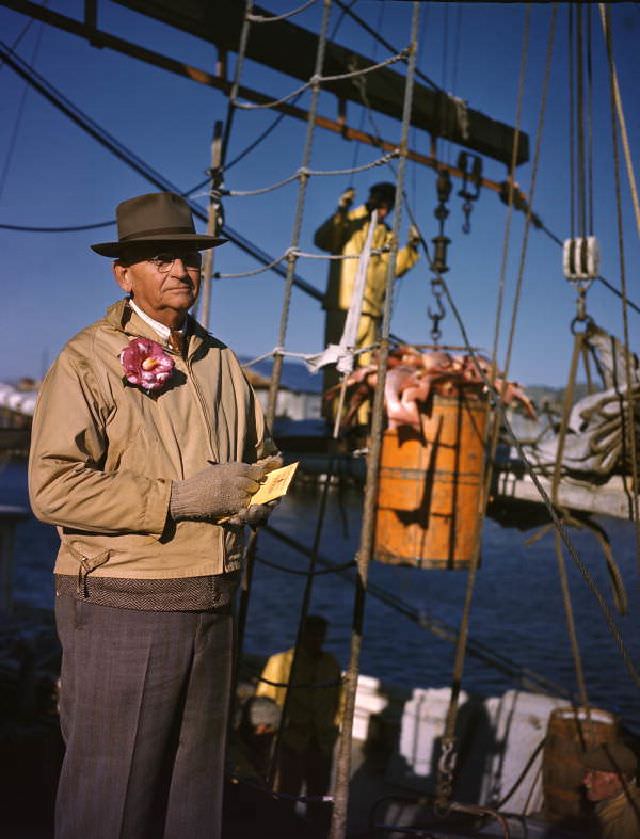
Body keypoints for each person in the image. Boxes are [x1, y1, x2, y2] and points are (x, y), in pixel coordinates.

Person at [28, 191, 281, 839]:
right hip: (124, 603)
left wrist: (257, 488)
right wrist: (178, 498)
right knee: (108, 803)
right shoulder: (86, 360)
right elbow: (52, 488)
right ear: (124, 273)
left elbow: (259, 457)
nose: (181, 271)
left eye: (190, 258)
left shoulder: (224, 361)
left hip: (214, 602)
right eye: (162, 258)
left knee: (192, 804)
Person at [314, 182, 420, 423]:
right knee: (337, 363)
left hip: (371, 312)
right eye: (380, 205)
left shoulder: (388, 236)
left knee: (366, 370)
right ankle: (334, 418)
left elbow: (395, 268)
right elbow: (323, 239)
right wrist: (343, 209)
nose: (383, 211)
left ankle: (359, 421)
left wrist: (411, 248)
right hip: (342, 307)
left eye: (387, 207)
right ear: (372, 200)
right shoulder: (349, 223)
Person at [255, 615, 342, 831]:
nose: (316, 639)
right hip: (290, 740)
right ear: (302, 634)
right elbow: (265, 700)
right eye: (311, 634)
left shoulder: (330, 664)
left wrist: (332, 730)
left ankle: (315, 832)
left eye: (320, 635)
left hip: (321, 742)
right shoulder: (281, 663)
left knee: (318, 796)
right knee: (285, 794)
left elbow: (340, 701)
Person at [582, 741, 640, 838]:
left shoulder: (629, 820)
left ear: (616, 778)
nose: (585, 781)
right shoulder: (610, 804)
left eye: (593, 775)